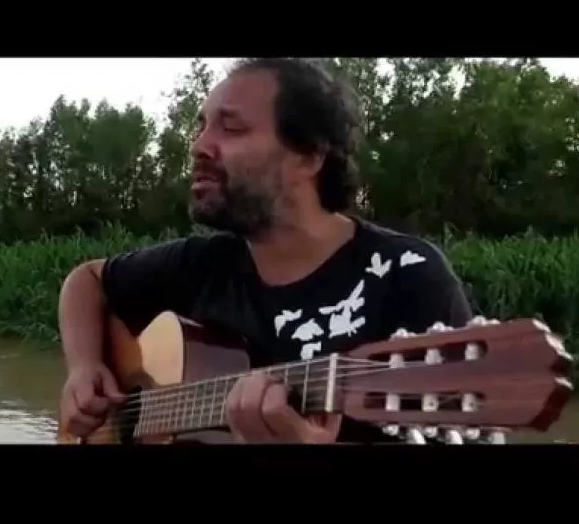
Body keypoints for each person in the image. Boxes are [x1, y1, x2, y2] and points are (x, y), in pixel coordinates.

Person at [57, 57, 474, 444]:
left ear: (308, 157)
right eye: (201, 126)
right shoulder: (201, 265)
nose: (199, 146)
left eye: (231, 128)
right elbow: (87, 280)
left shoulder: (407, 275)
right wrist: (84, 367)